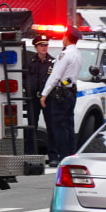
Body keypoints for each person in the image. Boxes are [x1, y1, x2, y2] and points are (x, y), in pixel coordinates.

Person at [41, 28, 83, 165]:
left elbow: (55, 76)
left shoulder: (64, 55)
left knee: (58, 126)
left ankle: (63, 156)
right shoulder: (77, 54)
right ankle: (71, 153)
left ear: (67, 37)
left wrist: (44, 94)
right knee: (68, 125)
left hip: (61, 93)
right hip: (71, 92)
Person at [24, 34, 56, 155]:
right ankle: (30, 152)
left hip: (48, 98)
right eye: (42, 45)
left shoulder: (52, 62)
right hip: (33, 98)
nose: (44, 47)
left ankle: (53, 154)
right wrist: (28, 88)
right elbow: (23, 77)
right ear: (36, 47)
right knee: (32, 125)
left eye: (46, 45)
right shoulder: (29, 62)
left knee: (51, 127)